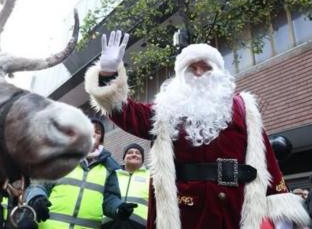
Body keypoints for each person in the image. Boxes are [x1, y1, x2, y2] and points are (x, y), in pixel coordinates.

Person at [84, 30, 311, 229]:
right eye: (192, 68)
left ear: (219, 72)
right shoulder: (166, 110)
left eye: (206, 67)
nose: (200, 73)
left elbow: (266, 160)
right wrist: (107, 76)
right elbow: (125, 112)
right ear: (181, 75)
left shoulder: (244, 108)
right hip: (183, 212)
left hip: (234, 211)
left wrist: (282, 207)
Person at [25, 118, 134, 229]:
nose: (93, 133)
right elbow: (38, 185)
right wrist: (37, 198)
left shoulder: (108, 168)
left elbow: (109, 198)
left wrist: (118, 208)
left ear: (100, 140)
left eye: (98, 132)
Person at [102, 143, 149, 229]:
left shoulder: (151, 176)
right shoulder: (113, 174)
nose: (134, 154)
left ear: (142, 159)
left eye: (138, 153)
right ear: (124, 158)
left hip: (139, 225)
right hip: (108, 224)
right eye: (130, 152)